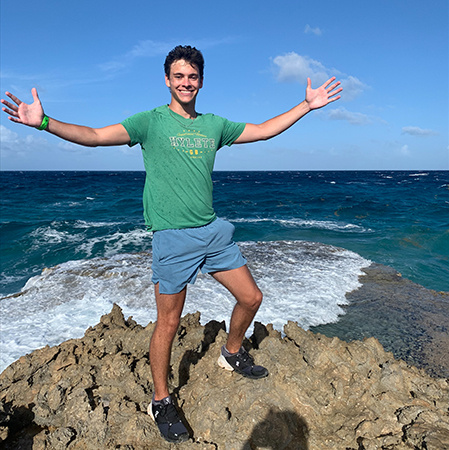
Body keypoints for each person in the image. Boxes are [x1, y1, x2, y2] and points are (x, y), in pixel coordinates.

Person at [2, 45, 342, 444]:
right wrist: (44, 123)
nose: (186, 82)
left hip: (213, 232)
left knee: (251, 298)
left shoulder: (214, 125)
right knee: (168, 323)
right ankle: (161, 399)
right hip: (173, 239)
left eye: (192, 76)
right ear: (167, 80)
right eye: (178, 76)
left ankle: (231, 353)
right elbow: (94, 137)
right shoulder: (150, 122)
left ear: (201, 81)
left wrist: (305, 106)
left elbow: (263, 130)